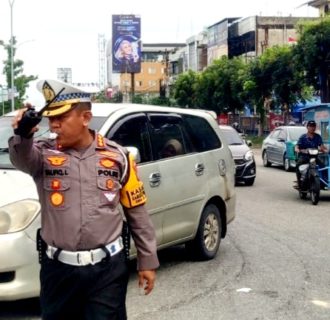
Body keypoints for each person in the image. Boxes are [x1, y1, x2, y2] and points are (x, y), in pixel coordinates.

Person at [8, 79, 159, 320]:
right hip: (58, 271)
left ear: (85, 118)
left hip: (107, 271)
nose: (54, 125)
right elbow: (21, 159)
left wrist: (147, 260)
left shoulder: (118, 156)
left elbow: (137, 212)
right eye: (50, 119)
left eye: (61, 118)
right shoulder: (43, 154)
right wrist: (23, 133)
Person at [294, 120, 327, 187]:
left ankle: (324, 181)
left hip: (314, 156)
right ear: (307, 127)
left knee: (323, 166)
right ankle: (299, 181)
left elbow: (322, 147)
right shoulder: (303, 137)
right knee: (298, 165)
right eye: (311, 126)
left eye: (313, 126)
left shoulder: (318, 137)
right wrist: (297, 149)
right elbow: (297, 146)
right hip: (304, 156)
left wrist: (325, 150)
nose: (312, 128)